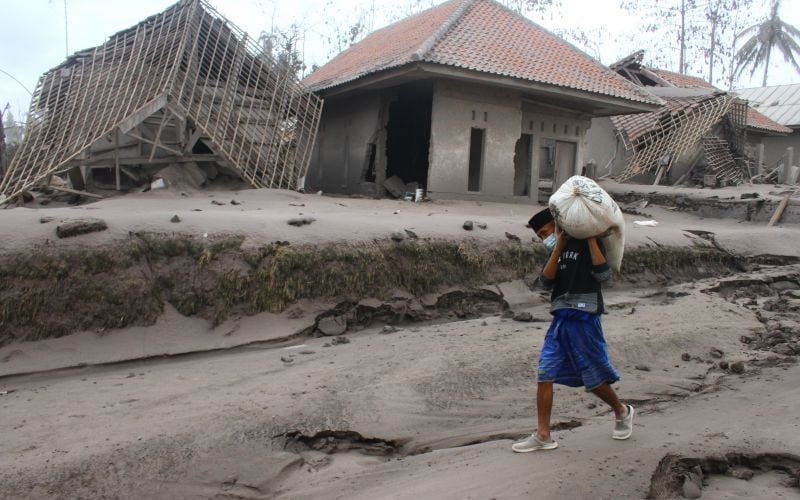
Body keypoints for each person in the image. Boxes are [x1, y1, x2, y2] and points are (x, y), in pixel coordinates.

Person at [512, 208, 633, 452]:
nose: (544, 238)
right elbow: (545, 282)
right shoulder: (556, 250)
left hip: (585, 318)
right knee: (545, 371)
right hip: (560, 320)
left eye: (546, 232)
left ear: (557, 225)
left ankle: (622, 411)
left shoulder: (587, 242)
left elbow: (603, 273)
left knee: (594, 378)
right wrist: (558, 247)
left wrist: (589, 237)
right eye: (539, 236)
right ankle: (543, 435)